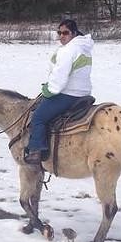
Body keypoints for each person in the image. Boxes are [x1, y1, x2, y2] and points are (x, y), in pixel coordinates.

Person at [24, 18, 94, 164]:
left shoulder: (69, 50)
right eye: (59, 33)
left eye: (65, 33)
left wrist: (48, 90)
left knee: (38, 117)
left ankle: (36, 151)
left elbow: (60, 78)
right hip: (83, 94)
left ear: (74, 33)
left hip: (68, 94)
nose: (62, 36)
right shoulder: (83, 47)